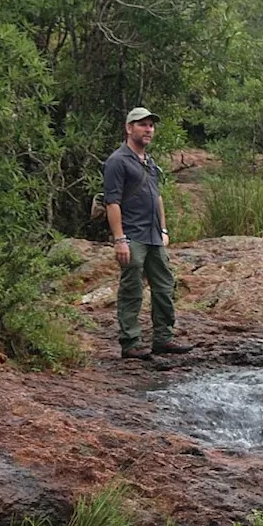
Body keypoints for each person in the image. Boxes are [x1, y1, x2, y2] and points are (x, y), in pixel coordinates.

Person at [102, 107, 193, 360]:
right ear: (129, 128)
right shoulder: (117, 161)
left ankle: (163, 339)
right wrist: (119, 239)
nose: (148, 129)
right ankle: (130, 343)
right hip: (132, 236)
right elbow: (112, 203)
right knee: (132, 289)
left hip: (154, 236)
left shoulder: (149, 163)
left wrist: (163, 229)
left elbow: (157, 197)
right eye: (142, 124)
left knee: (164, 286)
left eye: (151, 125)